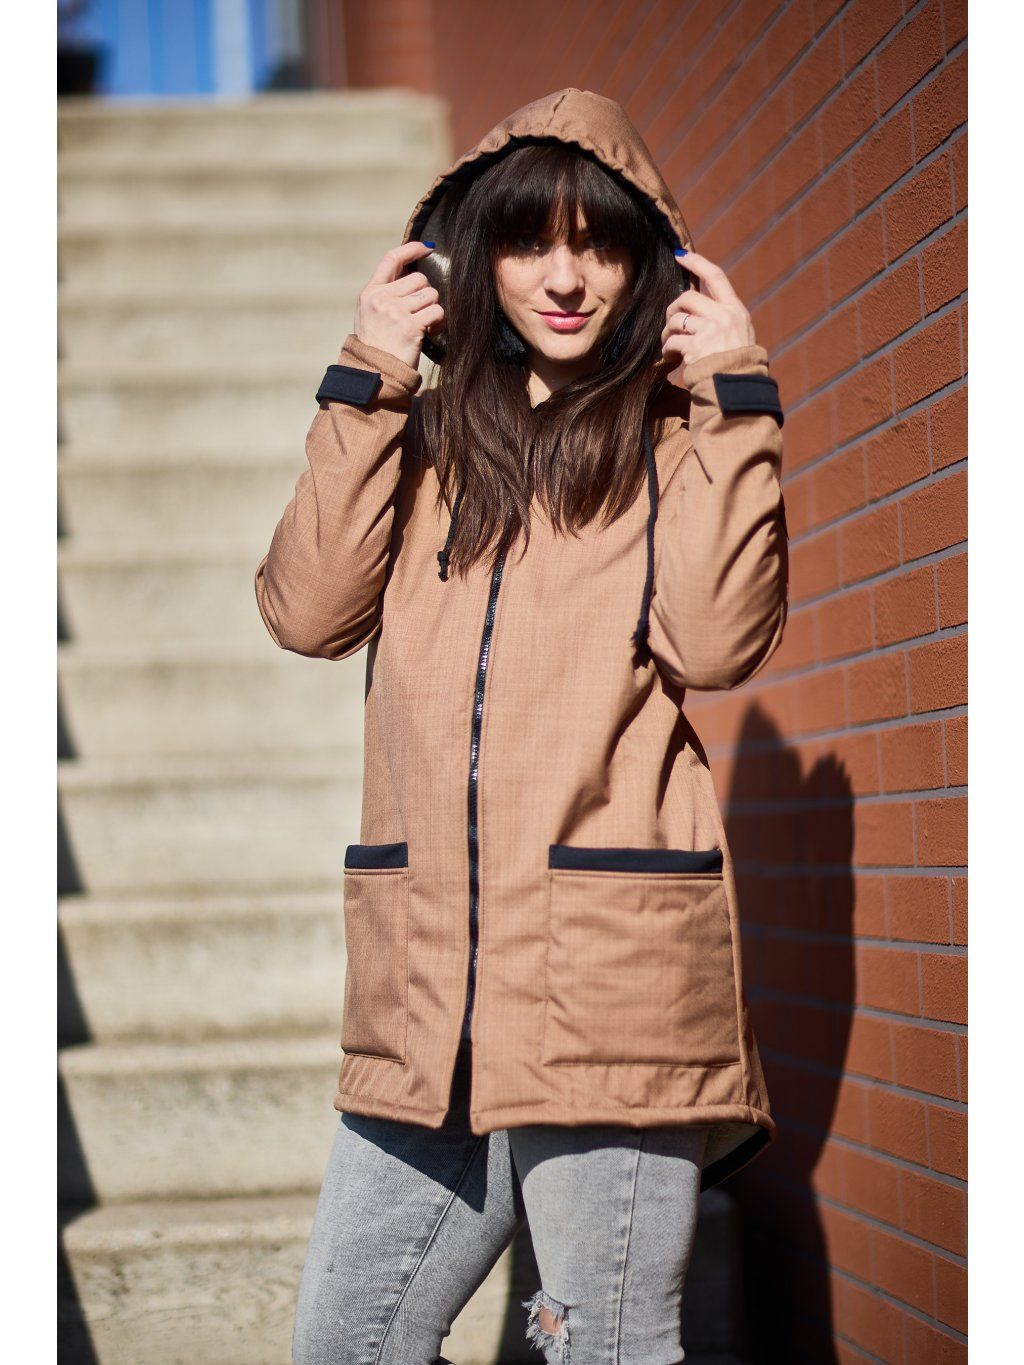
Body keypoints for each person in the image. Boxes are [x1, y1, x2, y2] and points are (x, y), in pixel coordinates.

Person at [256, 88, 789, 1365]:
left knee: (599, 1345)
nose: (563, 278)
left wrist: (734, 396)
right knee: (346, 1344)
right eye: (528, 242)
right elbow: (306, 611)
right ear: (471, 259)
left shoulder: (679, 443)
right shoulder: (418, 443)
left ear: (647, 266)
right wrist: (370, 371)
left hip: (605, 985)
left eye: (599, 246)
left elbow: (718, 643)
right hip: (425, 995)